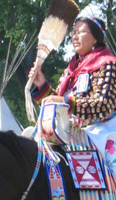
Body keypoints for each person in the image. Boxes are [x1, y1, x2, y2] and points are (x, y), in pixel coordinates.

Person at [28, 16, 116, 177]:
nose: (74, 37)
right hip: (71, 131)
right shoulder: (72, 69)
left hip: (102, 131)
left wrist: (66, 102)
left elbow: (105, 104)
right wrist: (42, 86)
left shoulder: (107, 63)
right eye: (73, 33)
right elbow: (61, 104)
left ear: (95, 36)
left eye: (80, 32)